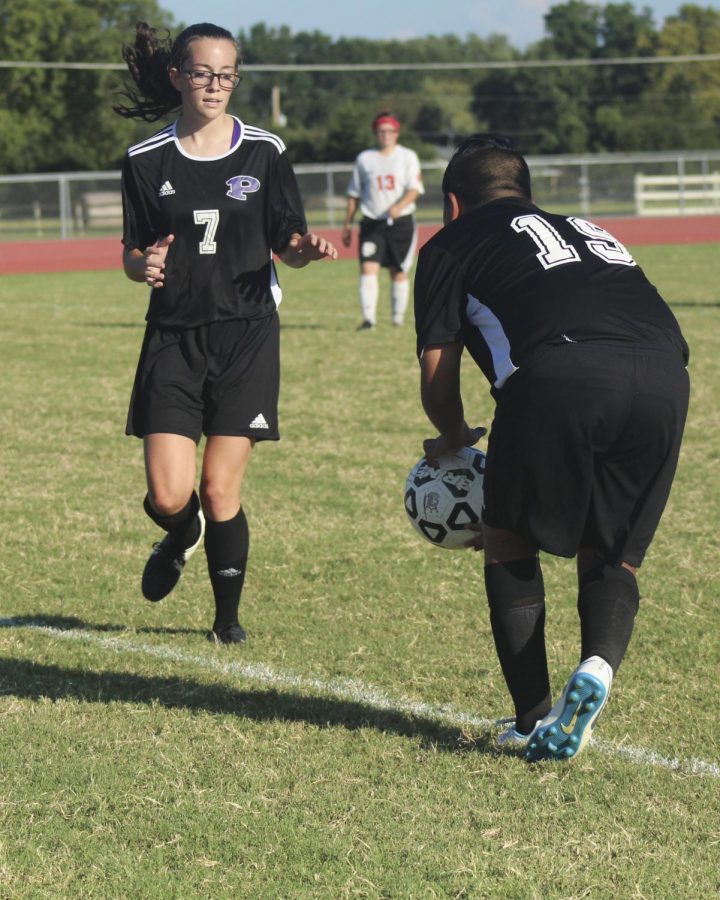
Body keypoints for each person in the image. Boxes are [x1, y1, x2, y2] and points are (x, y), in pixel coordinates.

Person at [413, 135, 689, 762]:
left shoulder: (450, 243)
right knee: (613, 551)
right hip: (666, 373)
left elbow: (438, 369)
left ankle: (532, 716)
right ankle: (596, 667)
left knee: (507, 534)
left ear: (453, 204)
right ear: (527, 193)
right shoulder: (589, 228)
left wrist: (453, 440)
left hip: (559, 371)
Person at [114, 22, 337, 645]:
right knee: (167, 494)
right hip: (172, 338)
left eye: (227, 75)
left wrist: (305, 248)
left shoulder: (265, 150)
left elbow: (287, 239)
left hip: (246, 336)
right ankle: (180, 532)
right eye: (205, 73)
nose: (216, 85)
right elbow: (132, 252)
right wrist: (144, 266)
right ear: (178, 76)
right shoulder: (143, 159)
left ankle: (226, 620)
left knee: (219, 487)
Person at [342, 111, 424, 329]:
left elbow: (415, 189)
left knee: (398, 270)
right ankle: (369, 319)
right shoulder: (364, 159)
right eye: (380, 131)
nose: (385, 135)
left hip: (400, 223)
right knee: (368, 268)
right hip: (372, 222)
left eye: (389, 131)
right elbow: (354, 195)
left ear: (397, 133)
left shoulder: (408, 157)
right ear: (375, 133)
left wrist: (399, 206)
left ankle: (397, 318)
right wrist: (347, 224)